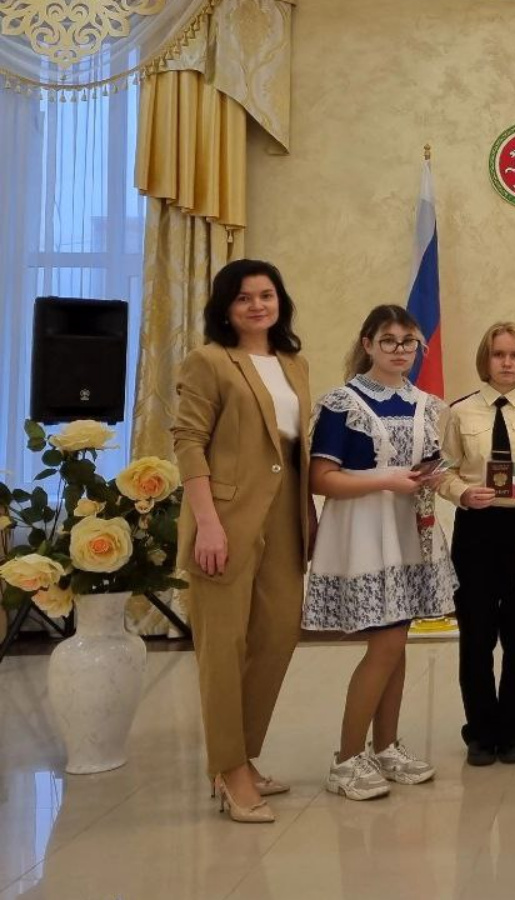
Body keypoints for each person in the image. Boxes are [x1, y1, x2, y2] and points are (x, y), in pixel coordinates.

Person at [173, 259, 314, 824]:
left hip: (284, 516)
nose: (257, 305)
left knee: (278, 634)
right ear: (225, 308)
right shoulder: (208, 361)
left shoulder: (295, 364)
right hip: (224, 517)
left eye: (266, 295)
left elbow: (294, 449)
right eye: (244, 298)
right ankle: (229, 770)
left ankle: (242, 756)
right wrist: (206, 522)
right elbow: (188, 442)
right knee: (222, 647)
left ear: (280, 301)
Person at [304, 304, 457, 801]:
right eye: (388, 340)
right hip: (364, 531)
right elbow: (322, 478)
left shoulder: (428, 405)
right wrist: (386, 479)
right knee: (386, 643)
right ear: (367, 344)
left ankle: (386, 746)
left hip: (411, 529)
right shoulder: (341, 403)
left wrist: (447, 482)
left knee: (398, 641)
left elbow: (431, 467)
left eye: (408, 341)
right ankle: (347, 759)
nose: (399, 350)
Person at [438, 322, 515, 767]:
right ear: (486, 360)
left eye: (514, 355)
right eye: (498, 354)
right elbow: (443, 470)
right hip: (476, 528)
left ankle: (514, 730)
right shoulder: (460, 412)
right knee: (476, 636)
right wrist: (462, 493)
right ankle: (480, 730)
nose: (507, 363)